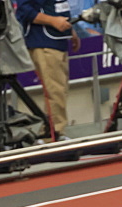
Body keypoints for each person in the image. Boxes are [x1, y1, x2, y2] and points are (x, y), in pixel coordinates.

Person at [16, 0, 79, 140]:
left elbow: (58, 7)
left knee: (60, 90)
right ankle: (54, 134)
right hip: (43, 41)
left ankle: (51, 131)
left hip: (59, 39)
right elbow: (24, 10)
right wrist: (52, 21)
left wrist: (71, 31)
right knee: (54, 90)